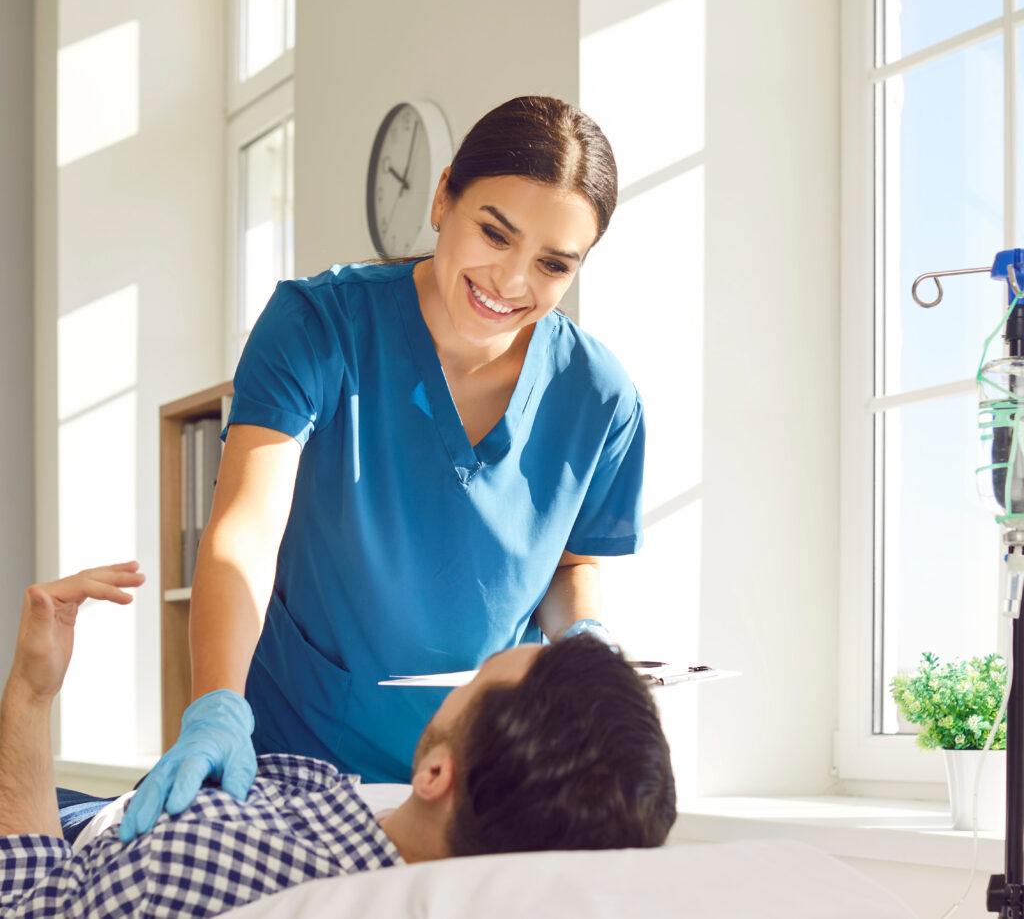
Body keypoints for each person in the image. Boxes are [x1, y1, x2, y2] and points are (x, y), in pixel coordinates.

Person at [121, 94, 646, 840]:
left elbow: (570, 564)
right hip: (285, 761)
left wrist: (585, 638)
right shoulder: (318, 327)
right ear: (442, 197)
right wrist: (216, 707)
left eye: (553, 264)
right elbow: (246, 530)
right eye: (494, 233)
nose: (510, 281)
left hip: (469, 787)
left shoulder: (600, 397)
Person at [1, 565, 676, 918]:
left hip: (66, 837)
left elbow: (27, 899)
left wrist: (31, 693)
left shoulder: (202, 854)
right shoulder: (438, 846)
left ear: (438, 774)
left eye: (470, 684)